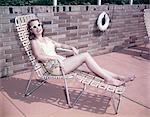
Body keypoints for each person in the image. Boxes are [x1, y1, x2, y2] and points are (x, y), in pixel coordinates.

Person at [27, 19, 135, 86]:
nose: (38, 28)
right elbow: (38, 56)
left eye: (39, 25)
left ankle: (119, 77)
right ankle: (108, 79)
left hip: (63, 62)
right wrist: (53, 58)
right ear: (31, 30)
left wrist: (71, 47)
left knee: (91, 68)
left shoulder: (47, 39)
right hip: (55, 67)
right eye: (34, 27)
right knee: (85, 56)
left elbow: (60, 45)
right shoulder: (34, 41)